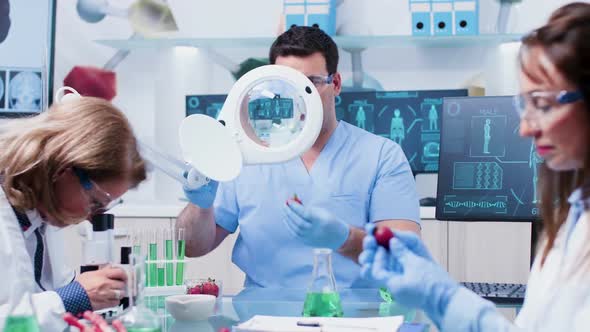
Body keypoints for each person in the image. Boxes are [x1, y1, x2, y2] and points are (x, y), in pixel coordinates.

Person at [360, 3, 590, 331]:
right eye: (524, 106)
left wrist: (444, 299)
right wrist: (440, 293)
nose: (525, 129)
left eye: (542, 104)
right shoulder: (572, 218)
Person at [178, 26, 420, 288]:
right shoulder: (246, 157)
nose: (298, 96)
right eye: (287, 85)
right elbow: (192, 247)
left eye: (311, 83)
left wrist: (346, 239)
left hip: (353, 313)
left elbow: (404, 258)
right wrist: (200, 205)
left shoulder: (381, 156)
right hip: (261, 313)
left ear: (335, 84)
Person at [0, 96, 147, 330]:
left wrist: (92, 291)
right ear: (64, 169)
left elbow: (45, 295)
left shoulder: (44, 213)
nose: (91, 217)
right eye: (95, 202)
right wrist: (72, 297)